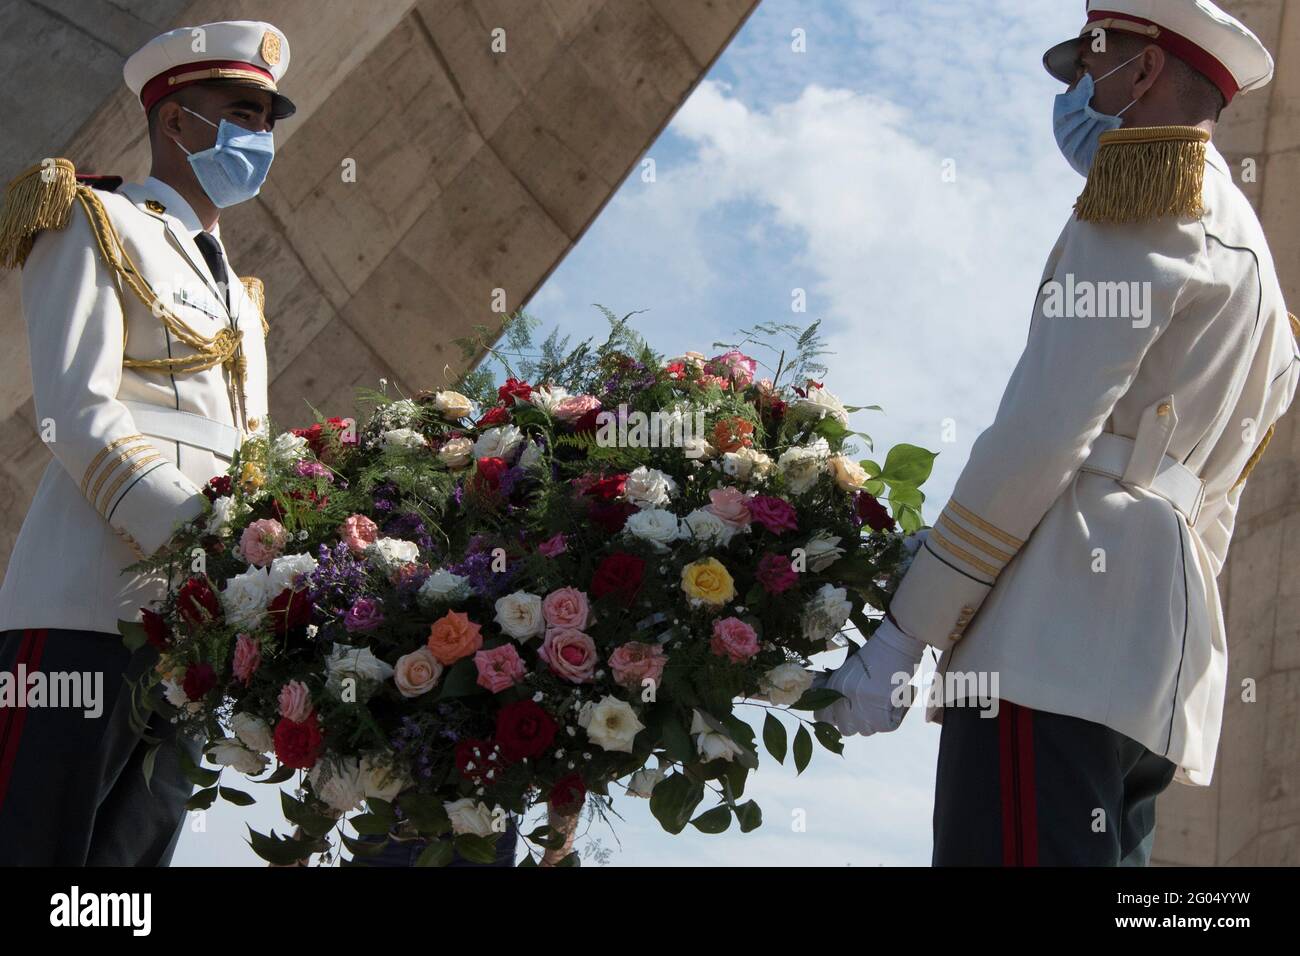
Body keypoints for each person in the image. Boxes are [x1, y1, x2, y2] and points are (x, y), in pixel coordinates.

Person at [817, 0, 1299, 866]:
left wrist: (906, 634)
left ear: (1144, 69)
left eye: (1089, 67)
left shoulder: (1151, 187)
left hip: (1049, 637)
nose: (1078, 91)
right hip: (1157, 663)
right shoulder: (1262, 275)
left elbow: (1043, 432)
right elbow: (1213, 514)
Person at [0, 20, 293, 865]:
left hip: (196, 627)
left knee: (126, 873)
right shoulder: (94, 217)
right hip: (87, 606)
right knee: (35, 847)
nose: (260, 137)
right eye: (243, 111)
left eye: (270, 120)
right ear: (176, 121)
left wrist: (255, 570)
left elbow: (252, 457)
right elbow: (73, 412)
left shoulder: (244, 291)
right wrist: (197, 540)